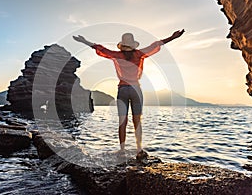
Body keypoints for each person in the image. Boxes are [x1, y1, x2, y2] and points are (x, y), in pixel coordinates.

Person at [73, 29, 185, 160]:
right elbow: (156, 45)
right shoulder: (139, 54)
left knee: (122, 121)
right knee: (137, 121)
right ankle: (139, 149)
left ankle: (122, 150)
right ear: (132, 44)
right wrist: (173, 37)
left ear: (123, 44)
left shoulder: (117, 55)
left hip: (123, 89)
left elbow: (100, 48)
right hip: (136, 89)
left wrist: (84, 41)